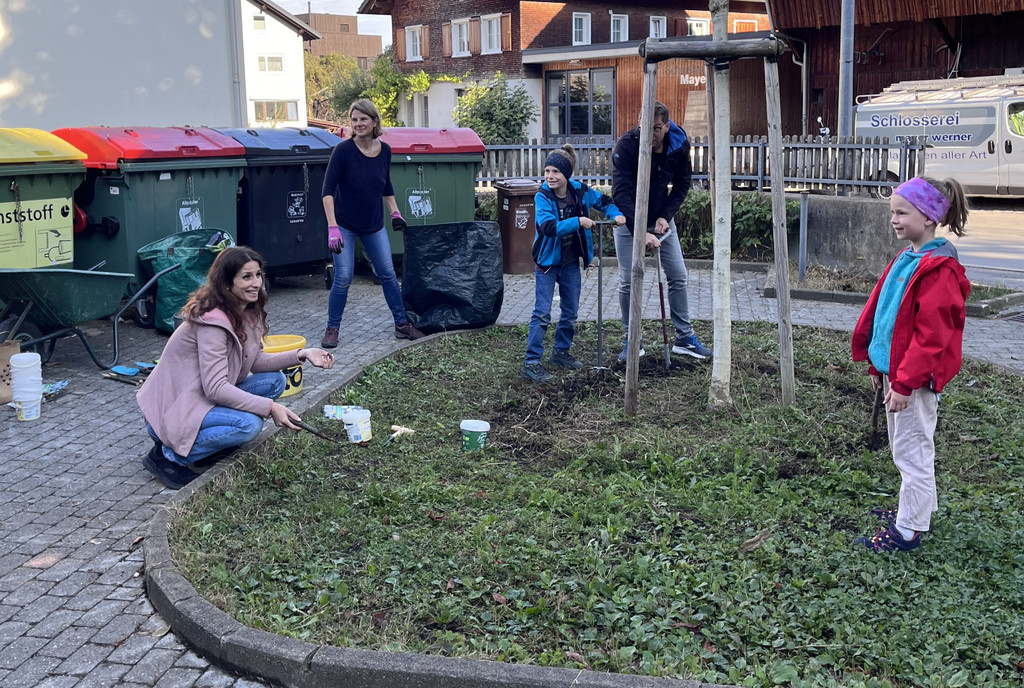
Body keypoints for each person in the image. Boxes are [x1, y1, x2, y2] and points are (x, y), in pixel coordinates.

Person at [137, 246, 336, 490]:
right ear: (227, 283)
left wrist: (302, 354)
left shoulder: (247, 310)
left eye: (258, 275)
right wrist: (270, 407)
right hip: (174, 410)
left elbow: (255, 360)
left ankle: (211, 445)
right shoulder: (212, 322)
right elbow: (216, 388)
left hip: (201, 397)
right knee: (249, 425)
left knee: (275, 381)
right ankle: (168, 456)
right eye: (246, 277)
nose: (256, 283)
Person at [851, 176, 971, 552]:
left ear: (930, 216)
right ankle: (918, 510)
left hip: (913, 381)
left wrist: (904, 383)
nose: (894, 219)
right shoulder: (908, 259)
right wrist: (878, 365)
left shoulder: (939, 270)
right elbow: (887, 318)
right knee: (909, 446)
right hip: (898, 373)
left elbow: (931, 337)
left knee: (911, 450)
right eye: (893, 212)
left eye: (902, 213)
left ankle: (908, 531)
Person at [611, 101, 712, 362]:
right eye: (644, 127)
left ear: (666, 127)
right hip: (628, 220)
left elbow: (682, 184)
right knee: (628, 280)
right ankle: (632, 340)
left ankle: (684, 339)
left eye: (656, 128)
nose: (650, 134)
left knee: (678, 275)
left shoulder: (678, 145)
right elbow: (620, 194)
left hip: (660, 219)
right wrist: (639, 231)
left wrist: (665, 216)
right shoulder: (626, 146)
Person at [320, 98, 424, 349]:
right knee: (343, 277)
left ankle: (401, 324)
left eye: (363, 119)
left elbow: (385, 185)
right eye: (354, 119)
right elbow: (327, 191)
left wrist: (395, 212)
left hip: (373, 225)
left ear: (375, 121)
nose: (358, 124)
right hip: (344, 225)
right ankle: (332, 328)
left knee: (388, 274)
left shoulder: (384, 150)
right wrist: (332, 226)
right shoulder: (343, 151)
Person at [521, 143, 625, 384]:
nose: (550, 176)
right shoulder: (542, 196)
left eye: (555, 172)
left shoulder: (579, 191)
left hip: (570, 263)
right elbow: (548, 228)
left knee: (570, 312)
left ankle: (561, 352)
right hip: (547, 263)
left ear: (566, 174)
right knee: (542, 313)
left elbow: (604, 201)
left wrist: (615, 215)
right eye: (547, 171)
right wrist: (578, 221)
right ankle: (531, 362)